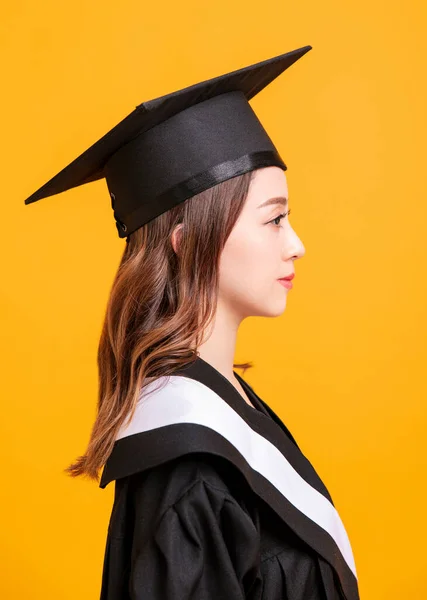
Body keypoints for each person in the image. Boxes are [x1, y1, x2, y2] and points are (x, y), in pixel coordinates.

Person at [24, 46, 360, 600]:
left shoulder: (232, 406)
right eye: (274, 219)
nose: (297, 245)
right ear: (187, 245)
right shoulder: (189, 468)